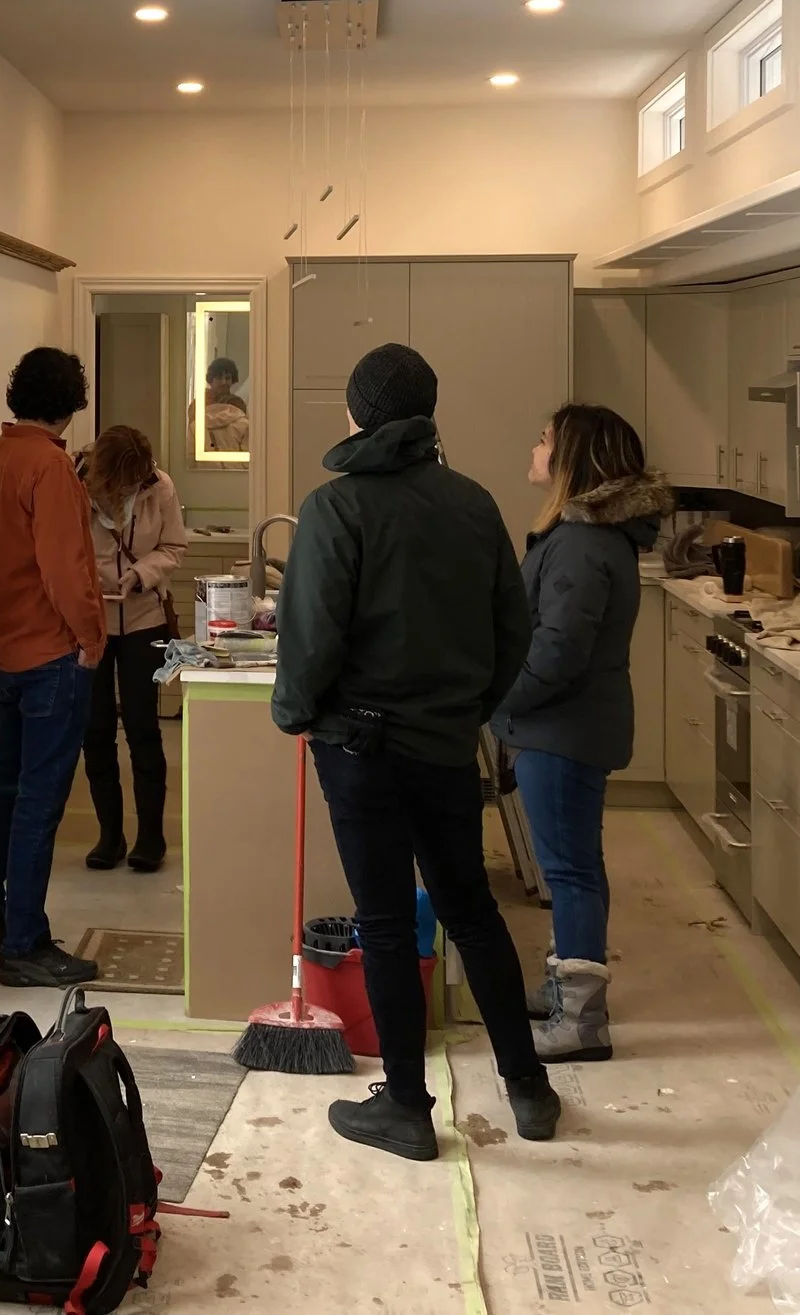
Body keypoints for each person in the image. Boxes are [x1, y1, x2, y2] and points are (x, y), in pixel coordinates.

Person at [271, 343, 561, 1157]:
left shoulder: (336, 508)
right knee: (471, 910)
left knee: (387, 924)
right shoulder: (473, 504)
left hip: (358, 748)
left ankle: (405, 1107)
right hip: (443, 745)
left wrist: (294, 710)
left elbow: (311, 637)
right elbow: (515, 633)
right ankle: (528, 1088)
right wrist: (469, 706)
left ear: (360, 414)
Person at [491, 404, 673, 1063]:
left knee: (569, 871)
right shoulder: (586, 536)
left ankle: (581, 1023)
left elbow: (559, 651)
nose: (534, 447)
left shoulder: (580, 543)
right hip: (567, 728)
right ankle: (566, 988)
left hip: (562, 731)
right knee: (575, 868)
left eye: (544, 440)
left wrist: (495, 697)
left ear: (572, 458)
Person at [0, 346, 108, 987]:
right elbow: (65, 567)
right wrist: (91, 636)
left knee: (4, 786)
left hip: (6, 646)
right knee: (39, 802)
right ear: (72, 404)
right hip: (52, 652)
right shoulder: (49, 467)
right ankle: (23, 944)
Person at [76, 424, 189, 873]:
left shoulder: (158, 486)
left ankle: (151, 837)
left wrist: (142, 572)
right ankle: (109, 835)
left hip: (145, 619)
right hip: (93, 622)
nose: (129, 487)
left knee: (144, 728)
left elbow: (174, 546)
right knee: (96, 729)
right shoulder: (73, 484)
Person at [202, 356, 251, 453]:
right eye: (219, 378)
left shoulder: (238, 404)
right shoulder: (199, 404)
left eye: (227, 378)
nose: (224, 382)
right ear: (211, 379)